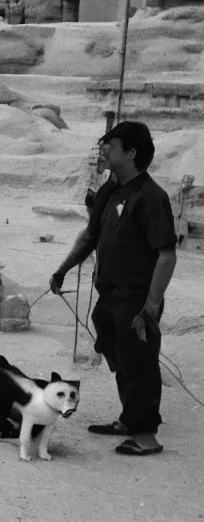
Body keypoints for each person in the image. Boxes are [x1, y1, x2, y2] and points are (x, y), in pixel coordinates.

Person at [49, 121, 177, 456]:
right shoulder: (111, 188)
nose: (103, 150)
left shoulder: (151, 197)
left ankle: (146, 435)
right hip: (109, 295)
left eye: (111, 145)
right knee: (118, 355)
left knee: (140, 361)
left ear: (132, 152)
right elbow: (91, 236)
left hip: (136, 298)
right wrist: (63, 269)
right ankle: (129, 419)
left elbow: (166, 255)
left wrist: (151, 306)